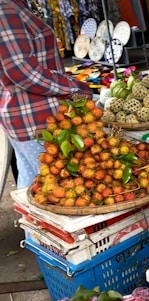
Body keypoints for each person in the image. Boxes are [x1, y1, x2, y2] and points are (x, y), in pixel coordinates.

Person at [0, 0, 91, 189]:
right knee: (53, 189)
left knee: (34, 182)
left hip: (29, 114)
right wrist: (74, 87)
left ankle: (31, 218)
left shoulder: (16, 5)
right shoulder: (5, 9)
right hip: (36, 118)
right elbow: (21, 70)